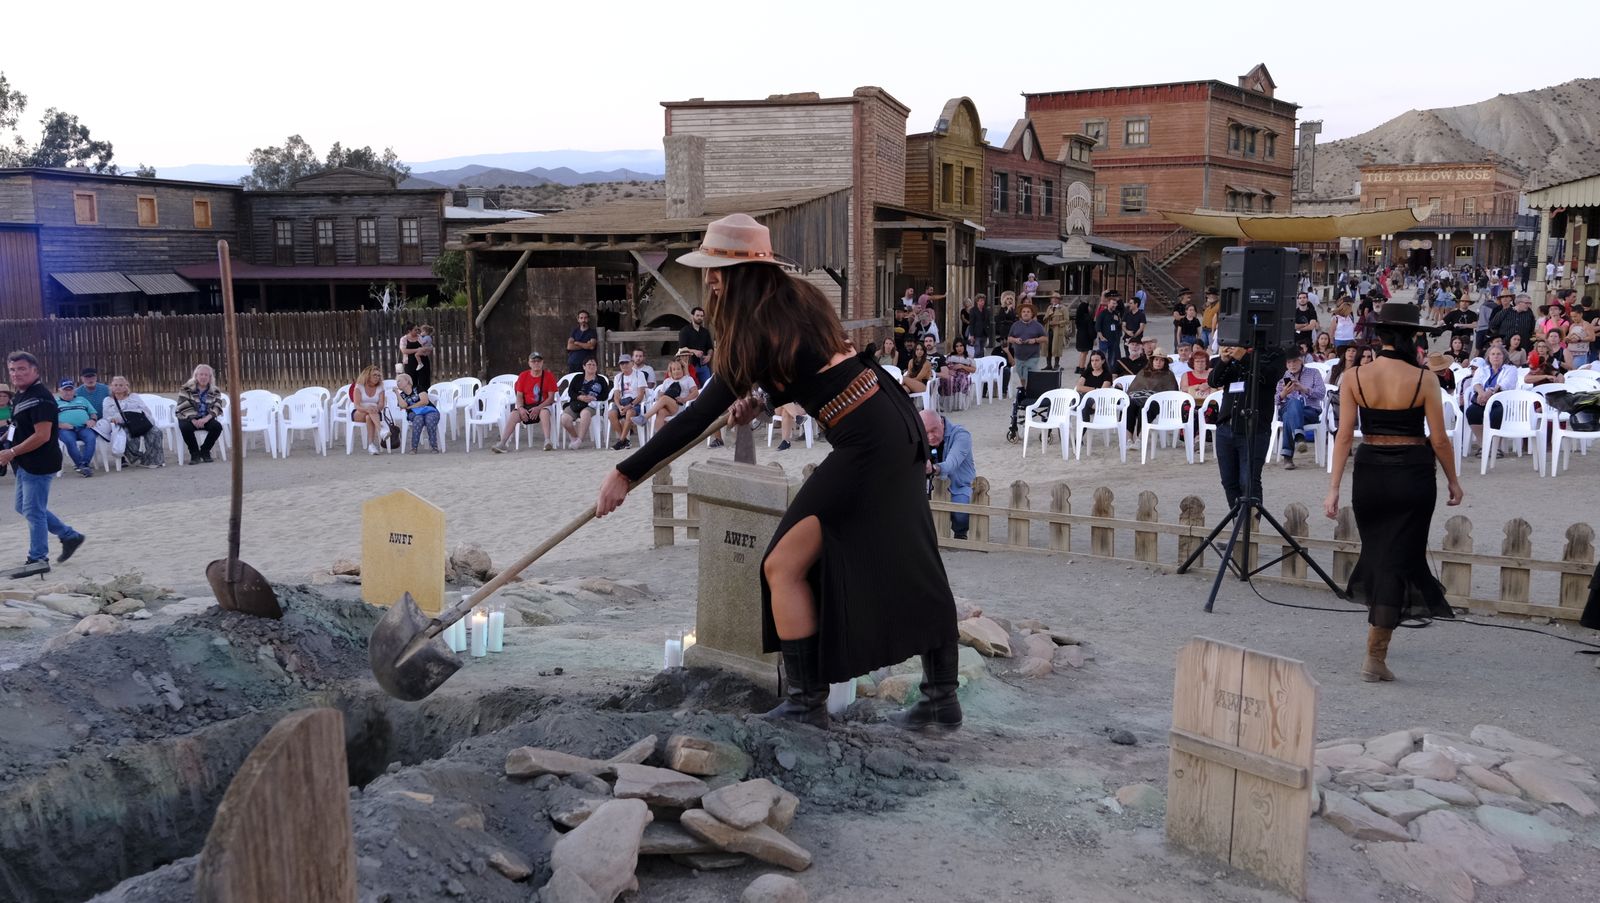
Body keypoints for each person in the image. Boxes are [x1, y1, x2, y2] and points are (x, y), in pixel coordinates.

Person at [594, 213, 960, 733]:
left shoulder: (750, 327)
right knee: (910, 555)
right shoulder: (796, 298)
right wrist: (763, 398)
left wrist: (625, 473)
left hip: (865, 440)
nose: (710, 282)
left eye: (715, 273)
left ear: (735, 274)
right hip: (888, 416)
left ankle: (808, 703)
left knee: (782, 564)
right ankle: (941, 700)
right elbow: (813, 366)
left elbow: (699, 415)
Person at [1324, 303, 1463, 683]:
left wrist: (1333, 488)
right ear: (1410, 337)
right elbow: (1439, 439)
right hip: (1412, 473)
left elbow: (1343, 437)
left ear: (1381, 336)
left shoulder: (1353, 377)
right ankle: (1375, 654)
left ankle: (1377, 640)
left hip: (1369, 472)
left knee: (1381, 553)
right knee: (1398, 557)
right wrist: (1453, 480)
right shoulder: (1424, 379)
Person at [3, 351, 86, 578]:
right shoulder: (21, 395)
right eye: (12, 369)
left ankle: (38, 558)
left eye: (22, 369)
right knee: (24, 507)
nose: (16, 373)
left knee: (33, 510)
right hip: (25, 462)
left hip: (39, 462)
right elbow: (19, 427)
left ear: (35, 371)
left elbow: (41, 435)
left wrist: (11, 452)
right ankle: (69, 536)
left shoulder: (40, 397)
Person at [1208, 342, 1284, 509]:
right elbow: (1214, 381)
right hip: (1226, 427)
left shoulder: (1274, 353)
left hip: (1253, 429)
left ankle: (1252, 526)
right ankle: (1238, 522)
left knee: (1248, 481)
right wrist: (1224, 360)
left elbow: (1269, 377)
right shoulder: (1233, 354)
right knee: (1229, 481)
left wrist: (1245, 357)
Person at [920, 409, 973, 540]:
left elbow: (951, 463)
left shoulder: (962, 435)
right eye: (926, 432)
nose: (931, 436)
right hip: (929, 489)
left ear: (942, 423)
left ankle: (960, 535)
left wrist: (932, 468)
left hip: (959, 487)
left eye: (934, 430)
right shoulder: (918, 437)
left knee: (961, 514)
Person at [494, 352, 559, 453]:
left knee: (545, 412)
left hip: (543, 405)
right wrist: (520, 408)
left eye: (539, 361)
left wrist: (538, 408)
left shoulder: (548, 376)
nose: (536, 363)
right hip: (527, 406)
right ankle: (503, 443)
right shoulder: (523, 376)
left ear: (542, 362)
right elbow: (519, 396)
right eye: (533, 361)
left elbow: (551, 398)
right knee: (514, 414)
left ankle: (547, 440)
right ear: (529, 363)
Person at [1274, 350, 1326, 470]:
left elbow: (1322, 394)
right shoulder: (1283, 378)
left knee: (1288, 416)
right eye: (1289, 363)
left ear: (1301, 360)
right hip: (1287, 408)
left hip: (1310, 411)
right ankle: (1299, 437)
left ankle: (1287, 457)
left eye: (1294, 361)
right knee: (1293, 403)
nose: (1292, 365)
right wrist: (1283, 394)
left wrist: (1303, 388)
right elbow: (1275, 401)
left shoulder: (1314, 373)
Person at [1463, 344, 1517, 453]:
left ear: (1503, 356)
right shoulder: (1483, 369)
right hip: (1483, 400)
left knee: (1496, 414)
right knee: (1472, 412)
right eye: (1493, 354)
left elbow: (1505, 384)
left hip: (1501, 401)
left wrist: (1489, 392)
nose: (1495, 356)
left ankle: (1496, 447)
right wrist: (1481, 393)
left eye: (1498, 354)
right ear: (1488, 357)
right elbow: (1476, 382)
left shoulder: (1511, 369)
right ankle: (1483, 444)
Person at [102, 375, 164, 468]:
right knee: (127, 436)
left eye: (121, 385)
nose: (118, 387)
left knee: (156, 432)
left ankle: (154, 460)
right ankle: (139, 459)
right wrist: (114, 419)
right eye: (115, 385)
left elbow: (145, 410)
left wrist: (149, 422)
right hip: (122, 425)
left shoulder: (134, 396)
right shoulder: (108, 400)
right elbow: (106, 416)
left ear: (126, 386)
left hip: (140, 422)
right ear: (111, 386)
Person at [1125, 349, 1179, 441]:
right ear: (1152, 361)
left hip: (1158, 402)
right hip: (1138, 398)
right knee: (1129, 405)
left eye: (1162, 360)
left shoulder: (1169, 375)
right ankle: (1128, 437)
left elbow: (1171, 393)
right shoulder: (1143, 372)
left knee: (1145, 407)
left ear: (1165, 362)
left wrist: (1152, 396)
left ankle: (1140, 436)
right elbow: (1133, 389)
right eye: (1156, 359)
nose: (1158, 362)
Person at [175, 364, 225, 463]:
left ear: (210, 377)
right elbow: (183, 406)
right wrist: (193, 419)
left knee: (217, 427)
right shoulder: (186, 389)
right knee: (185, 428)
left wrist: (206, 419)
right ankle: (194, 453)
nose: (203, 377)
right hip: (188, 418)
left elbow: (217, 406)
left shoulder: (215, 390)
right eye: (201, 374)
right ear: (196, 376)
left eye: (206, 375)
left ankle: (205, 451)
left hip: (205, 417)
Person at [560, 357, 609, 449]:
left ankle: (579, 440)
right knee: (565, 418)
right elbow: (571, 392)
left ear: (597, 367)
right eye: (589, 364)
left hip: (592, 405)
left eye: (594, 364)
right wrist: (580, 397)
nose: (591, 366)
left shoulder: (601, 380)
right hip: (576, 403)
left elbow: (605, 395)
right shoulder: (578, 378)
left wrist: (594, 398)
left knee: (585, 413)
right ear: (584, 366)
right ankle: (574, 437)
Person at [644, 357, 699, 435]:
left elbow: (695, 392)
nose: (676, 371)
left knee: (664, 399)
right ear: (671, 371)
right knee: (661, 412)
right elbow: (661, 396)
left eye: (678, 369)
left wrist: (684, 399)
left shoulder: (688, 379)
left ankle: (645, 417)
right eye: (674, 369)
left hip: (680, 406)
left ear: (682, 369)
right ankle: (660, 438)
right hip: (667, 407)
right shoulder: (667, 381)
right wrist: (659, 395)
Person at [55, 380, 99, 477]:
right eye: (65, 390)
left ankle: (83, 465)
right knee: (70, 441)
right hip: (65, 429)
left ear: (74, 390)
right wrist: (60, 424)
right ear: (59, 390)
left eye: (70, 389)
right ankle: (81, 465)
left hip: (84, 427)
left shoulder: (82, 400)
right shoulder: (54, 402)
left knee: (91, 438)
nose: (68, 392)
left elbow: (93, 413)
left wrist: (92, 420)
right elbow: (48, 419)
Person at [608, 356, 649, 450]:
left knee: (630, 413)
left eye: (626, 362)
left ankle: (621, 440)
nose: (624, 365)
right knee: (611, 413)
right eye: (622, 363)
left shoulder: (639, 375)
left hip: (636, 403)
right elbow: (616, 395)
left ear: (632, 363)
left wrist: (629, 406)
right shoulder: (618, 377)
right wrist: (619, 407)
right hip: (622, 403)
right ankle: (625, 441)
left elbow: (640, 395)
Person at [1006, 302, 1048, 394]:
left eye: (1028, 312)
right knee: (1022, 376)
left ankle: (1032, 392)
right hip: (1018, 356)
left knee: (1031, 375)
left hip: (1033, 356)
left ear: (1032, 314)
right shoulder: (1015, 325)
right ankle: (1026, 390)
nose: (1025, 313)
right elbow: (1009, 338)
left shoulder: (1037, 326)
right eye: (1024, 311)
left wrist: (1035, 340)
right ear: (1020, 314)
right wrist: (1015, 340)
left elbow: (1045, 338)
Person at [394, 373, 441, 453]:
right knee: (418, 418)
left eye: (399, 381)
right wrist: (397, 393)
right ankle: (414, 447)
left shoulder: (418, 388)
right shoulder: (401, 395)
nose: (397, 383)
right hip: (414, 415)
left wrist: (411, 407)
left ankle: (434, 446)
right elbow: (403, 406)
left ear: (407, 381)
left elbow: (425, 401)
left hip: (429, 411)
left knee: (429, 419)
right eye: (397, 382)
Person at [347, 365, 387, 455]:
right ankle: (381, 430)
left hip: (375, 412)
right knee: (369, 412)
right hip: (359, 412)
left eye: (378, 375)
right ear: (368, 376)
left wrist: (376, 408)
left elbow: (381, 404)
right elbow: (357, 405)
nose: (377, 377)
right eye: (374, 375)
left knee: (369, 417)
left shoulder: (380, 387)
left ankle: (371, 445)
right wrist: (367, 409)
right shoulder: (359, 386)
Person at [678, 306, 714, 385]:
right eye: (697, 315)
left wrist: (709, 356)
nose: (699, 318)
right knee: (692, 388)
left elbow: (710, 347)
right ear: (692, 316)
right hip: (690, 365)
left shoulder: (705, 332)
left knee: (707, 387)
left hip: (703, 366)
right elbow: (681, 348)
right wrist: (694, 351)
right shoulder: (684, 331)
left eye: (701, 316)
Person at [1042, 293, 1071, 369]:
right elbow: (1045, 318)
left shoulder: (1063, 308)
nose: (1054, 300)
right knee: (1048, 347)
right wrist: (1047, 318)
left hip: (1058, 331)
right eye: (1053, 298)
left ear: (1059, 300)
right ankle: (1048, 365)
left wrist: (1057, 323)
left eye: (1056, 298)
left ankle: (1056, 364)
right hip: (1049, 330)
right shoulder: (1049, 308)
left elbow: (1067, 320)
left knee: (1056, 347)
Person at [1095, 292, 1123, 368]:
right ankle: (1101, 369)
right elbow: (1098, 326)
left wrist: (1118, 320)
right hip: (1104, 339)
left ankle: (1110, 370)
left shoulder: (1116, 313)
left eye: (1115, 304)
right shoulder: (1102, 313)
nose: (1114, 305)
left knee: (1112, 356)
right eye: (1113, 303)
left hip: (1113, 339)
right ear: (1108, 303)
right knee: (1102, 355)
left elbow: (1119, 325)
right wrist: (1101, 337)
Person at [565, 311, 598, 375]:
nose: (583, 320)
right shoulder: (574, 331)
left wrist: (577, 343)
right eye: (581, 318)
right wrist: (586, 345)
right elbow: (569, 346)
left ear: (588, 319)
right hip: (572, 363)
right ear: (578, 319)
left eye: (585, 318)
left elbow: (591, 346)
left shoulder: (592, 332)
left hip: (585, 364)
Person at [399, 323, 427, 389]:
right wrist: (417, 349)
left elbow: (424, 348)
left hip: (421, 363)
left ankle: (423, 397)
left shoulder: (419, 337)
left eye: (418, 329)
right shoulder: (403, 339)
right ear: (409, 331)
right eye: (415, 330)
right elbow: (404, 351)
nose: (417, 331)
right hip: (410, 364)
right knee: (411, 382)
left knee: (423, 381)